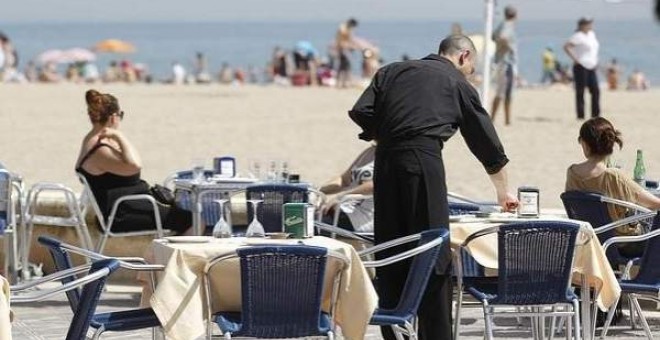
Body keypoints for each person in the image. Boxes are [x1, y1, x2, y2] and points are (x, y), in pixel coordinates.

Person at [349, 34, 519, 340]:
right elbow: (487, 144)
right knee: (432, 252)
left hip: (385, 163)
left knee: (394, 249)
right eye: (472, 66)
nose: (471, 72)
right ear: (464, 56)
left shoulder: (392, 71)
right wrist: (502, 192)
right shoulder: (456, 82)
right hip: (423, 161)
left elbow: (362, 112)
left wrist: (391, 133)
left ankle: (395, 332)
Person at [75, 89, 192, 235]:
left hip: (130, 207)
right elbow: (135, 165)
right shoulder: (100, 150)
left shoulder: (93, 142)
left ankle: (167, 254)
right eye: (121, 115)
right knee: (193, 220)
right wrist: (120, 136)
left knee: (182, 213)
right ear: (113, 118)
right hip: (121, 215)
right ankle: (170, 257)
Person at [566, 117, 660, 257]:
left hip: (590, 242)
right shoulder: (614, 176)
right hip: (624, 243)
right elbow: (655, 204)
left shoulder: (572, 173)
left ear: (585, 145)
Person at [319, 144, 375, 232]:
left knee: (302, 226)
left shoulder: (391, 154)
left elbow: (376, 184)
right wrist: (317, 191)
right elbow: (343, 180)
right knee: (301, 217)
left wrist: (341, 196)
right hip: (343, 211)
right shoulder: (370, 151)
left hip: (361, 220)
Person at [564, 17, 601, 119]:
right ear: (582, 25)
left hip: (592, 66)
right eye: (588, 23)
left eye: (590, 23)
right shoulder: (578, 36)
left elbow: (593, 50)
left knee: (595, 90)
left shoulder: (592, 34)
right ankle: (581, 115)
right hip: (581, 66)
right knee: (580, 91)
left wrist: (596, 60)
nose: (590, 25)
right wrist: (575, 59)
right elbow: (566, 46)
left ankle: (596, 115)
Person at [491, 6, 518, 126]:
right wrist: (509, 48)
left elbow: (493, 36)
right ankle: (507, 120)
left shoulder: (502, 24)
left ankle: (493, 118)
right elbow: (503, 37)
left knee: (500, 92)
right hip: (507, 63)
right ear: (516, 15)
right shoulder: (508, 25)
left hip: (501, 62)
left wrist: (499, 48)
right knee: (507, 92)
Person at [335, 18, 359, 88]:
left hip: (344, 49)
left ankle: (342, 83)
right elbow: (341, 40)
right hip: (343, 49)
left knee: (343, 67)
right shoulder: (343, 28)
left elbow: (350, 39)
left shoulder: (347, 29)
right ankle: (343, 83)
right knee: (346, 66)